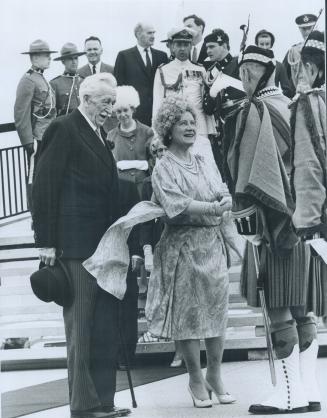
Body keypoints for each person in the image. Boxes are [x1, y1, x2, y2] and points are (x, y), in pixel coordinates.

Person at [224, 45, 320, 414]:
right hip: (304, 224)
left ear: (250, 73)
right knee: (301, 311)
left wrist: (251, 229)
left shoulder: (256, 110)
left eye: (243, 73)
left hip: (274, 228)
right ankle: (307, 392)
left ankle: (289, 397)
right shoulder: (294, 105)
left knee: (280, 312)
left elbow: (249, 179)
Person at [32, 73, 131, 418]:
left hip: (103, 245)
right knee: (82, 327)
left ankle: (104, 401)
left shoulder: (100, 136)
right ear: (86, 99)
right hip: (75, 246)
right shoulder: (64, 128)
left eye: (112, 102)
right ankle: (84, 405)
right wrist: (45, 241)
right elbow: (43, 185)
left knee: (103, 327)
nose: (111, 109)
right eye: (106, 102)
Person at [147, 95, 235, 407]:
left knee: (216, 312)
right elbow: (176, 206)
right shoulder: (163, 167)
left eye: (191, 122)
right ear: (168, 129)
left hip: (212, 245)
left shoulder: (203, 160)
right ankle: (195, 377)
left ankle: (215, 373)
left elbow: (222, 191)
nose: (189, 127)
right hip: (182, 247)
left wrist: (225, 202)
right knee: (188, 315)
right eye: (182, 123)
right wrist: (213, 206)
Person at [289, 30, 326, 408]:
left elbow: (308, 167)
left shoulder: (308, 104)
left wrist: (306, 223)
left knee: (301, 304)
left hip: (310, 223)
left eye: (298, 66)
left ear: (312, 70)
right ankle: (309, 389)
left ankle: (304, 390)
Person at [152, 28, 216, 137]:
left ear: (191, 46)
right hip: (173, 126)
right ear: (172, 47)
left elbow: (205, 101)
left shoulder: (200, 70)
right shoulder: (163, 70)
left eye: (186, 45)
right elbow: (157, 102)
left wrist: (210, 129)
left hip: (198, 126)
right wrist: (156, 131)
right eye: (178, 44)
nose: (182, 48)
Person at [202, 29, 245, 177]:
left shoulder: (239, 63)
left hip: (241, 120)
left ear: (225, 46)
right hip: (222, 126)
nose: (208, 51)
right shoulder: (211, 72)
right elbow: (208, 108)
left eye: (212, 46)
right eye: (207, 47)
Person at [114, 22, 168, 126]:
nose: (153, 36)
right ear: (138, 34)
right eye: (149, 33)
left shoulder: (162, 56)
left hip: (158, 110)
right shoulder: (124, 56)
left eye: (153, 33)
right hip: (135, 112)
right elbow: (119, 86)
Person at [14, 39, 57, 164]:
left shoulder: (40, 78)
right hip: (38, 139)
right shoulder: (28, 80)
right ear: (36, 58)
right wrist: (28, 142)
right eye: (47, 55)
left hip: (48, 136)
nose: (50, 58)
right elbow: (20, 113)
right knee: (36, 175)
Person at [108, 85, 154, 198]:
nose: (122, 115)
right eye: (118, 111)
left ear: (133, 109)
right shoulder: (111, 135)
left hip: (143, 187)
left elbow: (154, 160)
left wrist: (144, 165)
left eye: (125, 110)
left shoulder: (147, 132)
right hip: (121, 189)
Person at [282, 13, 318, 97]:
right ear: (299, 29)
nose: (307, 32)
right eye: (303, 29)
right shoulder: (293, 51)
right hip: (300, 96)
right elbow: (285, 76)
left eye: (309, 28)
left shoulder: (322, 49)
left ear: (315, 27)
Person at [254, 29, 293, 98]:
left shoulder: (279, 66)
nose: (264, 47)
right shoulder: (251, 64)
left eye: (267, 44)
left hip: (272, 101)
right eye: (261, 44)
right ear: (257, 45)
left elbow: (287, 90)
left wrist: (278, 100)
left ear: (271, 45)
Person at [50, 43, 85, 116]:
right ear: (63, 61)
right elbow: (52, 112)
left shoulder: (84, 81)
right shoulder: (55, 84)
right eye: (70, 59)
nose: (74, 62)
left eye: (76, 58)